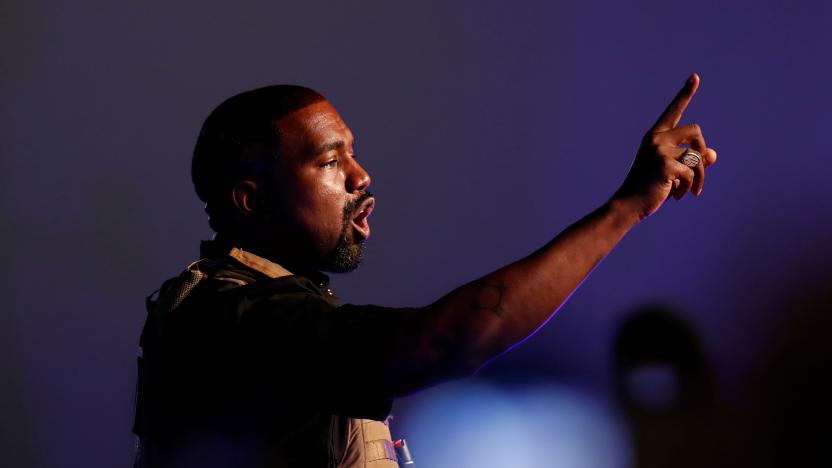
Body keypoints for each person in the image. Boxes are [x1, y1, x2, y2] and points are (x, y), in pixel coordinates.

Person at [133, 75, 717, 468]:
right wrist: (626, 208)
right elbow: (454, 339)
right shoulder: (230, 319)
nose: (362, 177)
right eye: (330, 161)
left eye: (353, 154)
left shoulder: (281, 306)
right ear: (250, 201)